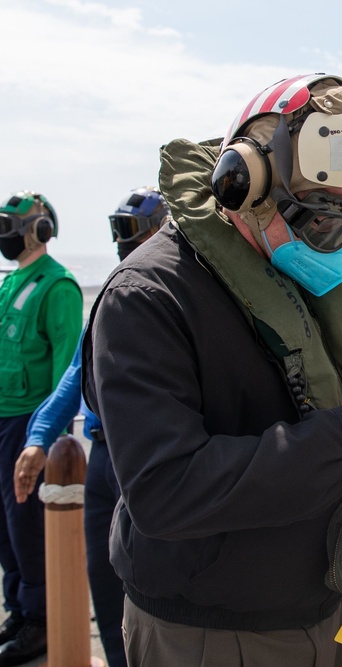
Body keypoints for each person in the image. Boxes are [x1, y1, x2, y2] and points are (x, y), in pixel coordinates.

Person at [81, 74, 342, 666]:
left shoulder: (313, 279)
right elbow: (166, 492)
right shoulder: (147, 299)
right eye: (323, 223)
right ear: (243, 185)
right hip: (213, 633)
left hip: (332, 609)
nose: (336, 245)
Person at [15, 186, 170, 667]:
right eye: (117, 231)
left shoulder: (175, 299)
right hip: (102, 458)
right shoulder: (114, 294)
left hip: (139, 457)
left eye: (129, 231)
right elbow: (73, 379)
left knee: (149, 587)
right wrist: (40, 438)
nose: (122, 242)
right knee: (103, 584)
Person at [0, 192, 83, 666]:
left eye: (12, 224)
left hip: (25, 421)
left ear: (40, 230)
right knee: (5, 528)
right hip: (2, 416)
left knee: (27, 527)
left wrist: (46, 438)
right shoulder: (12, 284)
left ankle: (41, 620)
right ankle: (19, 607)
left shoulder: (58, 287)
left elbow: (65, 372)